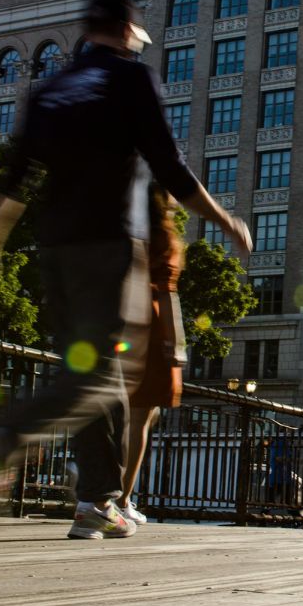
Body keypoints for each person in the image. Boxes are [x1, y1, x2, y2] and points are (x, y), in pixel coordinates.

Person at [0, 0, 250, 540]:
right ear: (125, 31)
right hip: (109, 243)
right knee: (97, 374)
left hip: (54, 248)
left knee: (102, 369)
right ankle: (0, 440)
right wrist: (222, 217)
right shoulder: (129, 77)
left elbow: (15, 176)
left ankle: (97, 501)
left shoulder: (50, 89)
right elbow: (169, 161)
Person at [119, 184, 186, 524]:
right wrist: (176, 344)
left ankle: (102, 491)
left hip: (116, 322)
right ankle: (122, 498)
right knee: (140, 420)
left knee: (120, 413)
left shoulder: (120, 229)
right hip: (149, 324)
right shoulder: (163, 236)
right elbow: (167, 294)